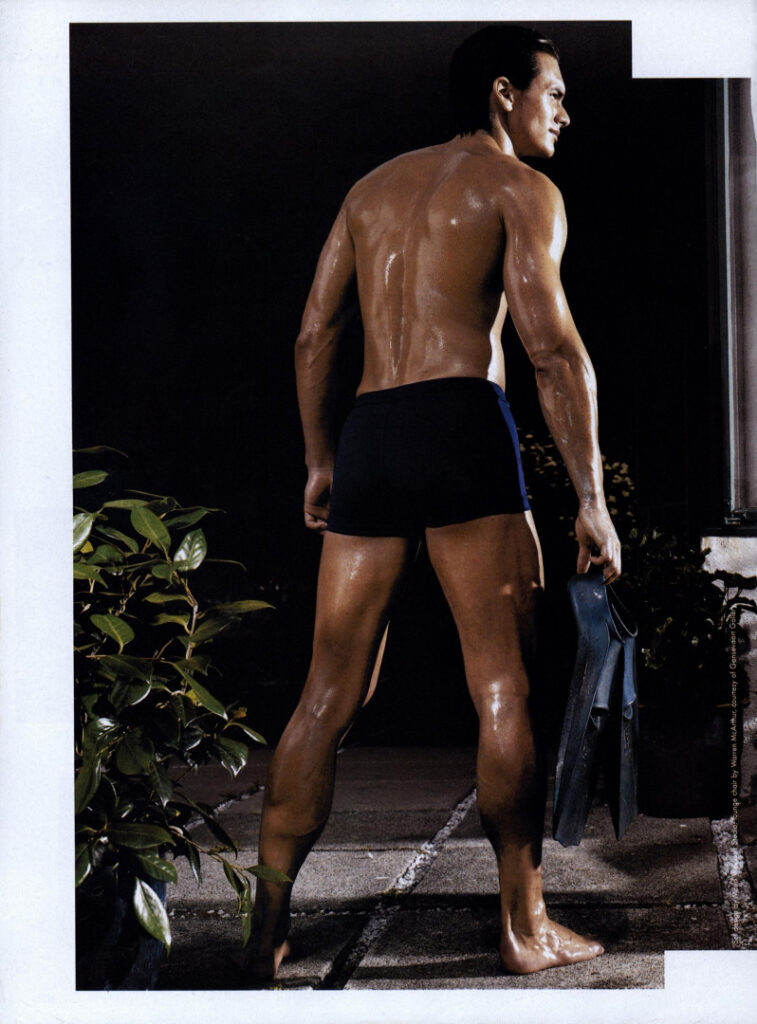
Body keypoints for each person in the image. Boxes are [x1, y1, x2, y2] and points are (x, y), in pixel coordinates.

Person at [249, 24, 622, 979]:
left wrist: (320, 460)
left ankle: (266, 930)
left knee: (326, 693)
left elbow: (312, 336)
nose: (563, 112)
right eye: (553, 93)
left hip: (372, 432)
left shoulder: (370, 190)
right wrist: (590, 499)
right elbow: (551, 351)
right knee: (501, 686)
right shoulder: (517, 189)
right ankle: (524, 928)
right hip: (461, 422)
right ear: (503, 92)